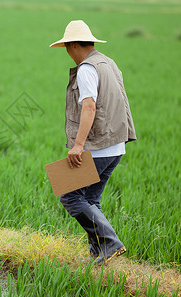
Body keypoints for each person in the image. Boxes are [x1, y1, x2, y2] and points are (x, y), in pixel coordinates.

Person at [49, 20, 137, 264]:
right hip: (116, 146)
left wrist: (78, 145)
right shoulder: (109, 63)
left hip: (98, 146)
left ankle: (109, 243)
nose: (67, 52)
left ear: (74, 45)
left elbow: (90, 106)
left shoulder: (87, 68)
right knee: (90, 199)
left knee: (69, 194)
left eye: (67, 47)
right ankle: (98, 251)